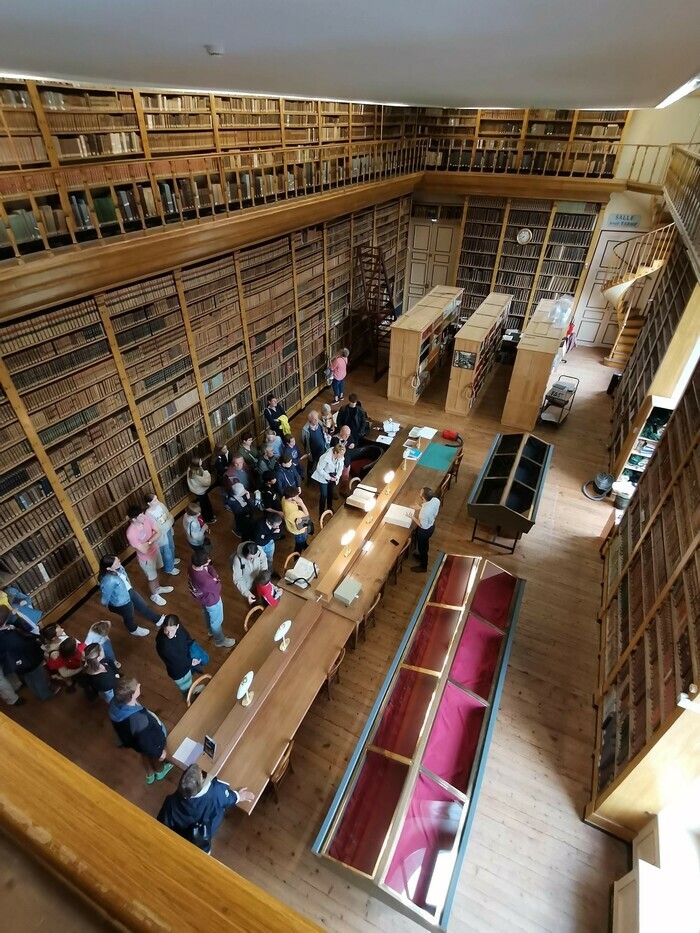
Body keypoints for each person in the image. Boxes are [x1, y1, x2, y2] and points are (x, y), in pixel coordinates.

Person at [157, 763, 254, 854]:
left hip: (181, 830)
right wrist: (238, 796)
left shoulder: (172, 800)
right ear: (201, 781)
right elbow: (227, 799)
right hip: (203, 828)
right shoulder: (215, 792)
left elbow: (163, 821)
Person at [108, 679, 173, 785]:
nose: (139, 684)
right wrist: (159, 752)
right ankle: (160, 771)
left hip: (133, 739)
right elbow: (147, 744)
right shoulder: (139, 720)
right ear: (132, 695)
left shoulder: (114, 704)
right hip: (153, 742)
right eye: (136, 686)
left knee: (144, 753)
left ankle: (150, 774)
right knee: (153, 755)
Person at [98, 554, 166, 636]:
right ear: (108, 568)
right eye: (116, 563)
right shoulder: (108, 580)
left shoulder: (119, 568)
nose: (119, 562)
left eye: (118, 560)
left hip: (129, 591)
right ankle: (133, 629)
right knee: (129, 616)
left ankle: (158, 619)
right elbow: (105, 597)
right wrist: (107, 604)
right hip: (122, 601)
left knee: (143, 606)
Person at [0, 609, 54, 701]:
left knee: (29, 679)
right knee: (38, 679)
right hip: (29, 661)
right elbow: (28, 641)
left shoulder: (4, 634)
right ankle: (45, 694)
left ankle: (38, 692)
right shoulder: (10, 637)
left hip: (19, 665)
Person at [187, 550, 236, 648]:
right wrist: (212, 572)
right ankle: (220, 640)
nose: (209, 560)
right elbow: (218, 587)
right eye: (207, 560)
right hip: (212, 600)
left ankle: (210, 631)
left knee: (206, 613)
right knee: (216, 621)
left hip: (202, 598)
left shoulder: (190, 567)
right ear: (202, 564)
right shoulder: (206, 580)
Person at [125, 506, 174, 602]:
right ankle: (154, 595)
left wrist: (149, 542)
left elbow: (159, 532)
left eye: (143, 513)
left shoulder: (147, 519)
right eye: (140, 516)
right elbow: (143, 551)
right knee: (152, 577)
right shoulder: (131, 533)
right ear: (134, 519)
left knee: (156, 572)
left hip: (155, 550)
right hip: (146, 559)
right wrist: (152, 538)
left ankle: (158, 588)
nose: (144, 516)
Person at [156, 615, 202, 698]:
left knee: (189, 682)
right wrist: (190, 662)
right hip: (179, 672)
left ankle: (192, 689)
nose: (169, 634)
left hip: (186, 662)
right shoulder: (163, 645)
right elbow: (176, 661)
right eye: (166, 631)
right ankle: (190, 699)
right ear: (163, 627)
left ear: (177, 626)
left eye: (172, 630)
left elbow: (187, 637)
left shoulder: (180, 629)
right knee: (186, 691)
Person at [145, 492, 179, 577]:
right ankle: (169, 568)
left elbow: (169, 516)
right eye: (154, 500)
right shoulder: (148, 514)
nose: (157, 501)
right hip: (161, 536)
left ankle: (172, 560)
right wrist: (169, 522)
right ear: (149, 503)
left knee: (171, 546)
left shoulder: (160, 505)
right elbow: (160, 529)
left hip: (168, 530)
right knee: (166, 551)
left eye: (157, 499)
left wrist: (168, 522)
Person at [411, 486, 441, 573]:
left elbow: (421, 525)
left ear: (423, 497)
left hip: (424, 531)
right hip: (431, 526)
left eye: (421, 492)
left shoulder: (424, 512)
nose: (419, 493)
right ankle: (422, 555)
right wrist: (420, 508)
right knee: (425, 544)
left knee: (422, 548)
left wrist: (412, 517)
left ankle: (423, 566)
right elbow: (430, 510)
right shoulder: (436, 500)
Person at [312, 444, 345, 517]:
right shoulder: (325, 457)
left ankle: (330, 508)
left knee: (330, 493)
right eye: (341, 454)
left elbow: (340, 468)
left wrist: (337, 476)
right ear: (335, 452)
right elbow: (319, 469)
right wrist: (328, 477)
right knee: (324, 495)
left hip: (333, 477)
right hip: (323, 477)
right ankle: (321, 512)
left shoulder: (340, 457)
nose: (342, 456)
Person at [301, 409, 329, 483]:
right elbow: (303, 440)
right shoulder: (305, 429)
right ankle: (309, 480)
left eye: (317, 418)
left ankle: (320, 477)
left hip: (322, 449)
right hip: (312, 451)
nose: (317, 420)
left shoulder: (319, 423)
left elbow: (324, 431)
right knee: (311, 465)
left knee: (321, 464)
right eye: (314, 419)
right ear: (310, 420)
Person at [187, 457, 215, 524]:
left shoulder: (190, 469)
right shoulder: (196, 474)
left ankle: (209, 516)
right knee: (205, 504)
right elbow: (206, 483)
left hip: (197, 490)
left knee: (204, 503)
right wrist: (207, 473)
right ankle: (208, 518)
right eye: (200, 460)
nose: (201, 461)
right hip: (200, 491)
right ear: (198, 463)